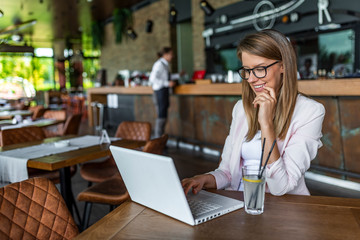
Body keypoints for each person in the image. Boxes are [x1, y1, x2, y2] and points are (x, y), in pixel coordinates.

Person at [182, 30, 325, 196]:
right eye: (247, 70)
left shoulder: (310, 112)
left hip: (283, 211)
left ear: (283, 66)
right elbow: (228, 173)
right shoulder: (241, 108)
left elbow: (281, 187)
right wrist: (205, 179)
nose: (250, 79)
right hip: (240, 205)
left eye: (259, 69)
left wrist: (266, 124)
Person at [149, 47, 177, 138]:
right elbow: (152, 79)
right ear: (165, 54)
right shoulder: (159, 64)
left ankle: (160, 140)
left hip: (164, 91)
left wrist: (178, 75)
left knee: (163, 115)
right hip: (159, 92)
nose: (172, 56)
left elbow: (166, 76)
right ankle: (157, 140)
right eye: (171, 54)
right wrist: (167, 83)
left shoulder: (165, 64)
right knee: (161, 115)